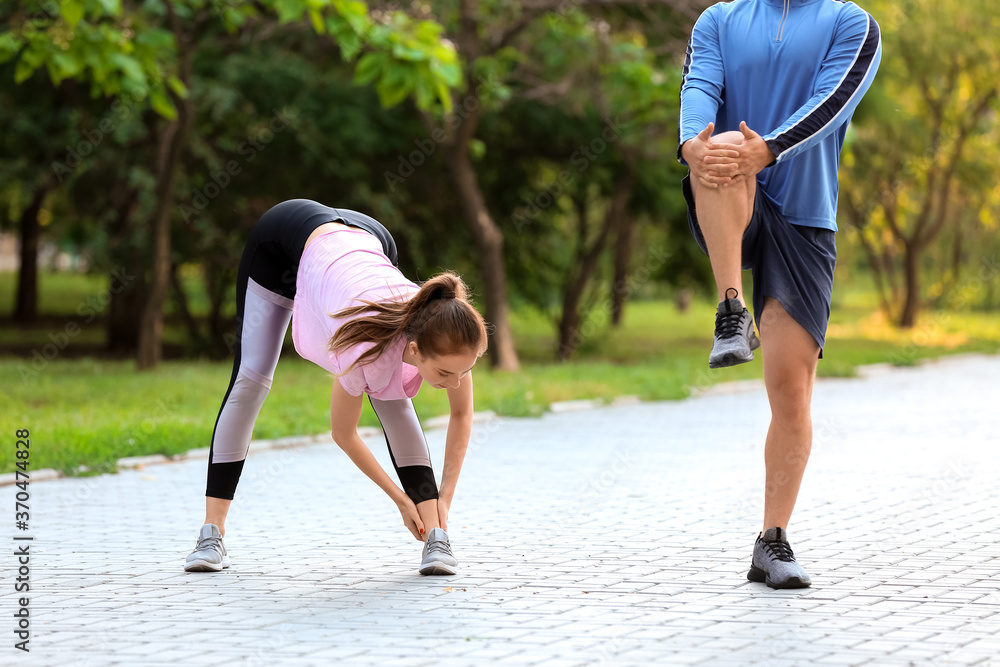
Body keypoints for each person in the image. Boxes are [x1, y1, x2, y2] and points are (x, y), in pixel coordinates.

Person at [677, 0, 881, 588]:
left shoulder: (852, 23)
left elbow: (833, 100)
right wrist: (693, 142)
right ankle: (731, 308)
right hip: (729, 196)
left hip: (806, 217)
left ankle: (772, 541)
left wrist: (767, 147)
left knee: (790, 389)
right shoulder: (717, 19)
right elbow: (699, 89)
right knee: (715, 156)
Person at [183, 199, 488, 576]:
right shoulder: (361, 347)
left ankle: (437, 538)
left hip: (369, 235)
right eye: (445, 374)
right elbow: (343, 432)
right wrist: (399, 499)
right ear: (415, 350)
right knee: (253, 377)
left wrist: (444, 501)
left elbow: (462, 414)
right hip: (282, 241)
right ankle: (212, 533)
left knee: (391, 396)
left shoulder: (451, 329)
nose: (454, 383)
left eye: (464, 372)